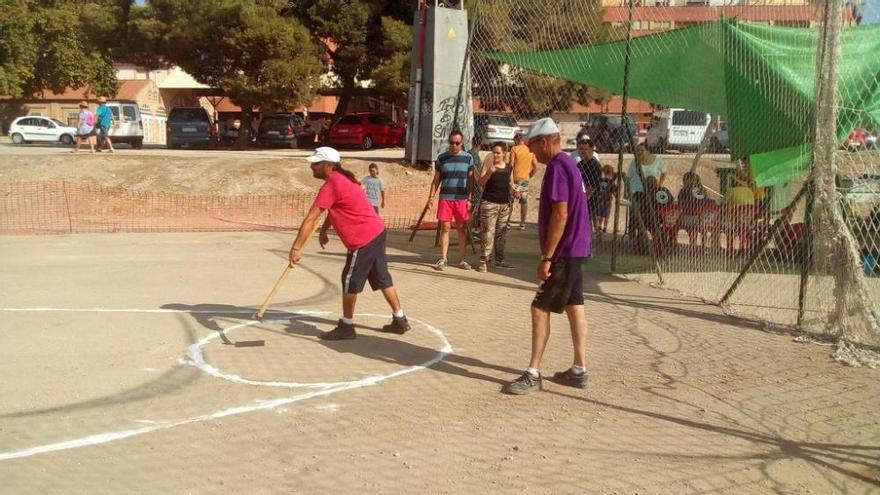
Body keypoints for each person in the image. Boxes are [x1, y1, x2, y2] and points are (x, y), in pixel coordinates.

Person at [503, 117, 591, 395]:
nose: (532, 153)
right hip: (576, 248)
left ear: (544, 142)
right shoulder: (569, 164)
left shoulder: (557, 167)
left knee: (539, 307)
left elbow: (560, 214)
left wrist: (547, 257)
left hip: (564, 251)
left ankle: (533, 373)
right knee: (574, 305)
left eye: (532, 147)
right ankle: (579, 370)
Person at [287, 147, 410, 340]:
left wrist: (296, 248)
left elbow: (311, 218)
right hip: (376, 231)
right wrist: (326, 229)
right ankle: (399, 319)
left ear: (329, 165)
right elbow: (334, 207)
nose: (312, 166)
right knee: (382, 277)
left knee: (349, 279)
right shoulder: (343, 179)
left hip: (363, 238)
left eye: (316, 163)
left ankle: (346, 325)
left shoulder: (332, 184)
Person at [425, 130, 475, 271]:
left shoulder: (468, 158)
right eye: (451, 143)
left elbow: (471, 180)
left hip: (461, 199)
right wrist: (431, 197)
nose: (454, 146)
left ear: (462, 142)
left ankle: (463, 260)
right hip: (445, 198)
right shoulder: (441, 158)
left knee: (461, 229)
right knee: (445, 228)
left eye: (457, 143)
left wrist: (470, 198)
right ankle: (443, 258)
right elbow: (436, 180)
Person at [475, 142, 515, 273]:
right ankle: (484, 260)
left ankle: (499, 260)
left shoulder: (509, 167)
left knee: (501, 234)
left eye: (498, 152)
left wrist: (517, 191)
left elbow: (511, 183)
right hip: (489, 204)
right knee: (487, 233)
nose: (496, 155)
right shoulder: (489, 166)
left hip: (504, 205)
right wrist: (488, 174)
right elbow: (480, 183)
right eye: (494, 152)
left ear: (504, 153)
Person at [509, 132, 538, 230]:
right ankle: (522, 223)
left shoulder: (514, 149)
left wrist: (511, 182)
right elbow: (535, 166)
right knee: (524, 201)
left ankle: (508, 221)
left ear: (517, 140)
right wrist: (529, 175)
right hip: (525, 179)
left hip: (515, 178)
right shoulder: (530, 150)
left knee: (510, 201)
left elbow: (511, 165)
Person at [575, 138, 602, 227]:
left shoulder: (594, 165)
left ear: (591, 150)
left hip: (592, 198)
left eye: (585, 149)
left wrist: (583, 199)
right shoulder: (580, 164)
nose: (582, 151)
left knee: (585, 220)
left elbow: (592, 186)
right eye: (580, 149)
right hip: (580, 196)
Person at [595, 165, 618, 233]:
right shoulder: (611, 182)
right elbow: (614, 191)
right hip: (608, 200)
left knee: (600, 214)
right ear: (611, 174)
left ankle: (599, 226)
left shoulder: (600, 180)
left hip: (600, 199)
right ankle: (604, 227)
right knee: (606, 215)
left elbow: (597, 189)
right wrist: (616, 196)